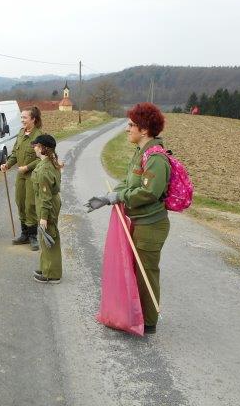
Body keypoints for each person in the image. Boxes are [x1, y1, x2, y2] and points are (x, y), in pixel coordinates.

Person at [85, 102, 171, 334]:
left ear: (144, 130)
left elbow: (149, 192)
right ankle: (136, 314)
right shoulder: (140, 154)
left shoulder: (156, 158)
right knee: (135, 269)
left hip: (151, 225)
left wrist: (119, 196)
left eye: (131, 125)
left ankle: (149, 322)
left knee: (146, 273)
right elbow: (129, 182)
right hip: (141, 223)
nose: (127, 129)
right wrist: (107, 197)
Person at [0, 106, 43, 250]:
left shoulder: (39, 136)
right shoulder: (20, 133)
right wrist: (7, 165)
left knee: (30, 203)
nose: (22, 120)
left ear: (33, 119)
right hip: (20, 175)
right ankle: (24, 233)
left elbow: (42, 159)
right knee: (20, 202)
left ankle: (33, 236)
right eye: (21, 118)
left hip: (32, 175)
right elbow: (14, 153)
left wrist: (27, 167)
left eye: (25, 117)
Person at [30, 134, 62, 284]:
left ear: (43, 148)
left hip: (47, 204)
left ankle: (52, 273)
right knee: (45, 237)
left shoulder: (45, 169)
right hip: (48, 202)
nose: (34, 148)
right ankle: (45, 266)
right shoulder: (49, 162)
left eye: (36, 146)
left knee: (49, 236)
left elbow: (45, 196)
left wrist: (43, 216)